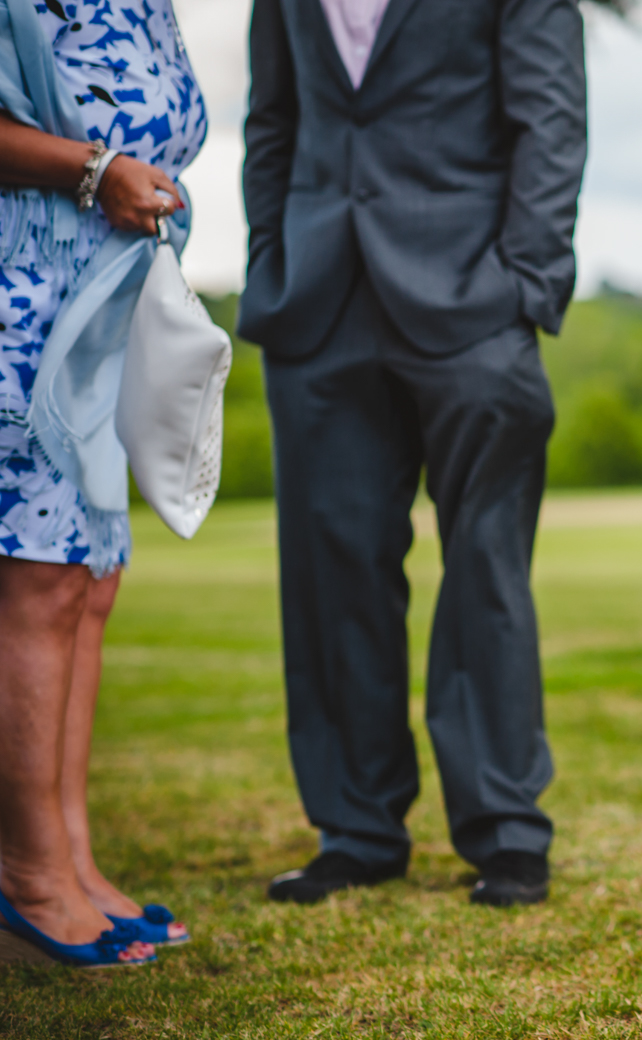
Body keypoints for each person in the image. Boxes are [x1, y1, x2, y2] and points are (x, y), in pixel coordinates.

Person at [239, 0, 587, 907]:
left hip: (477, 303)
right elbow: (272, 119)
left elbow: (550, 117)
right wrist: (269, 261)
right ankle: (355, 830)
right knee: (333, 575)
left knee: (485, 569)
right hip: (315, 306)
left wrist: (527, 286)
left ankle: (507, 833)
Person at [0, 0, 202, 966]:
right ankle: (28, 869)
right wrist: (93, 171)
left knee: (90, 577)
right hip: (24, 298)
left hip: (104, 297)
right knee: (40, 578)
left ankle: (70, 853)